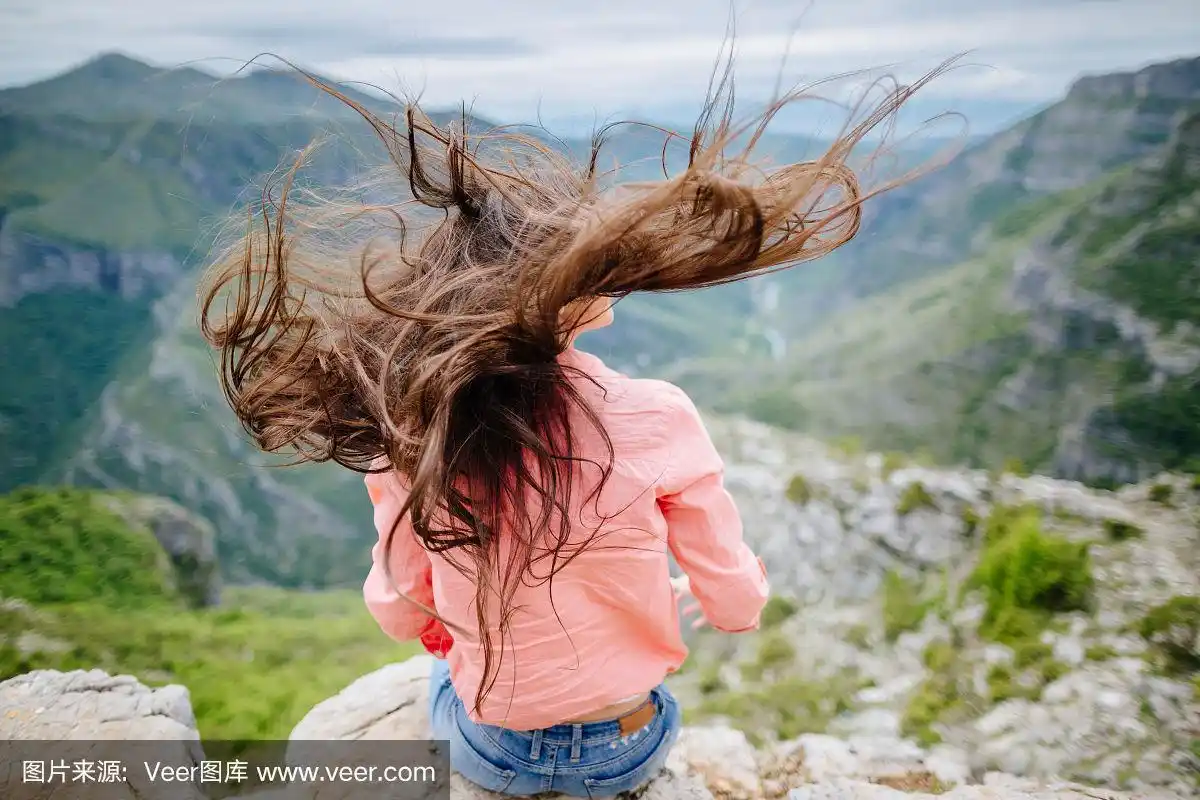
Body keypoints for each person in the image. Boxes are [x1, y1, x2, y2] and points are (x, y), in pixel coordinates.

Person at [199, 53, 945, 797]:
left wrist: (452, 627)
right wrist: (690, 595)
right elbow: (739, 603)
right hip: (630, 746)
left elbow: (398, 609)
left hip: (496, 752)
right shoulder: (659, 417)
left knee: (434, 675)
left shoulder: (411, 429)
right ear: (564, 299)